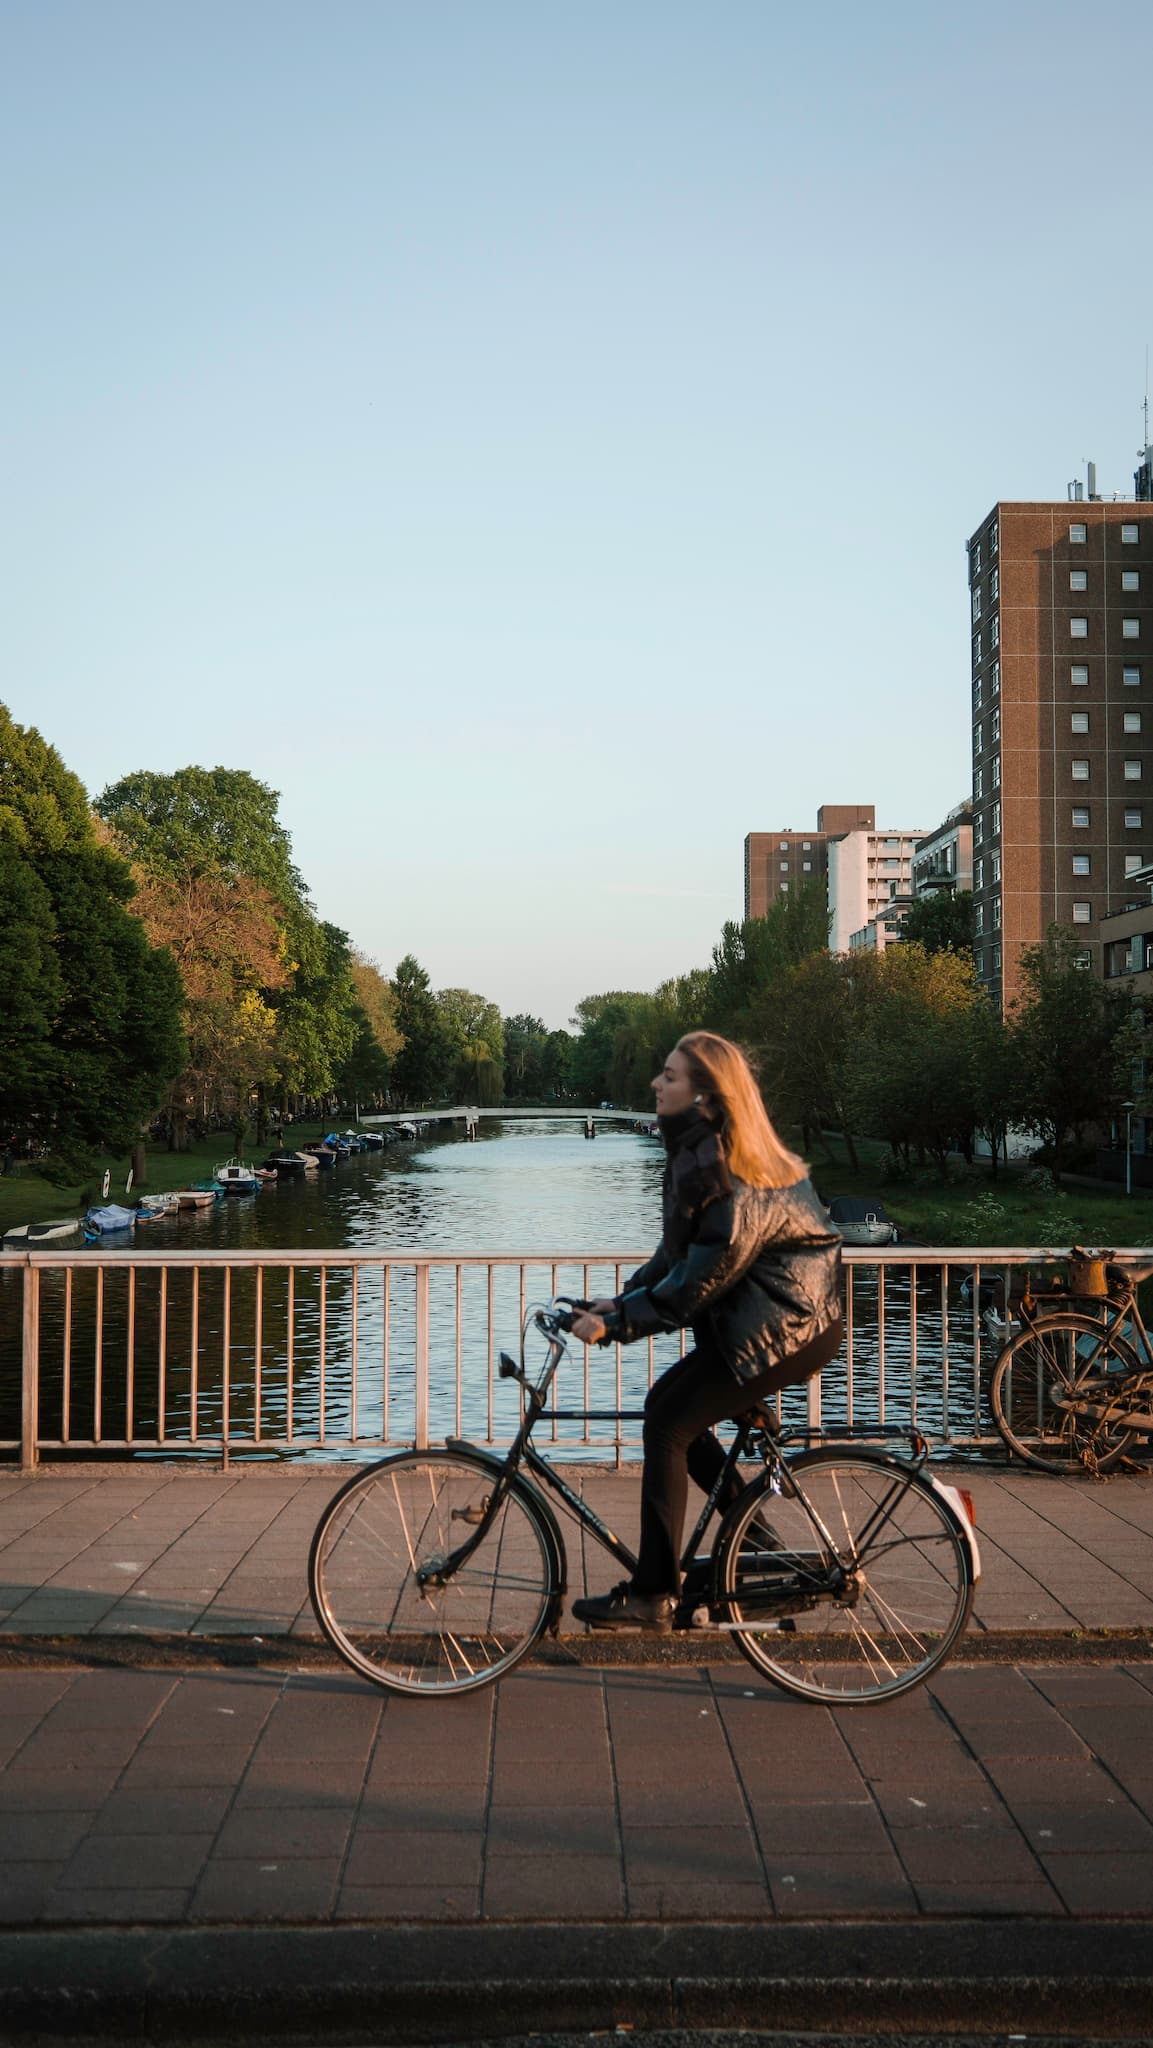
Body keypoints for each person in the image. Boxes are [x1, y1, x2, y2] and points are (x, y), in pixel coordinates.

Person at [569, 1031, 843, 1632]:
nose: (655, 1084)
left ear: (707, 1099)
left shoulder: (736, 1175)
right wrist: (618, 1301)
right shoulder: (703, 1156)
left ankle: (653, 1594)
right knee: (669, 1412)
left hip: (788, 1327)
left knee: (668, 1423)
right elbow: (676, 1257)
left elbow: (701, 1279)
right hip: (757, 1321)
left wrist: (616, 1327)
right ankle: (761, 1547)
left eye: (670, 1076)